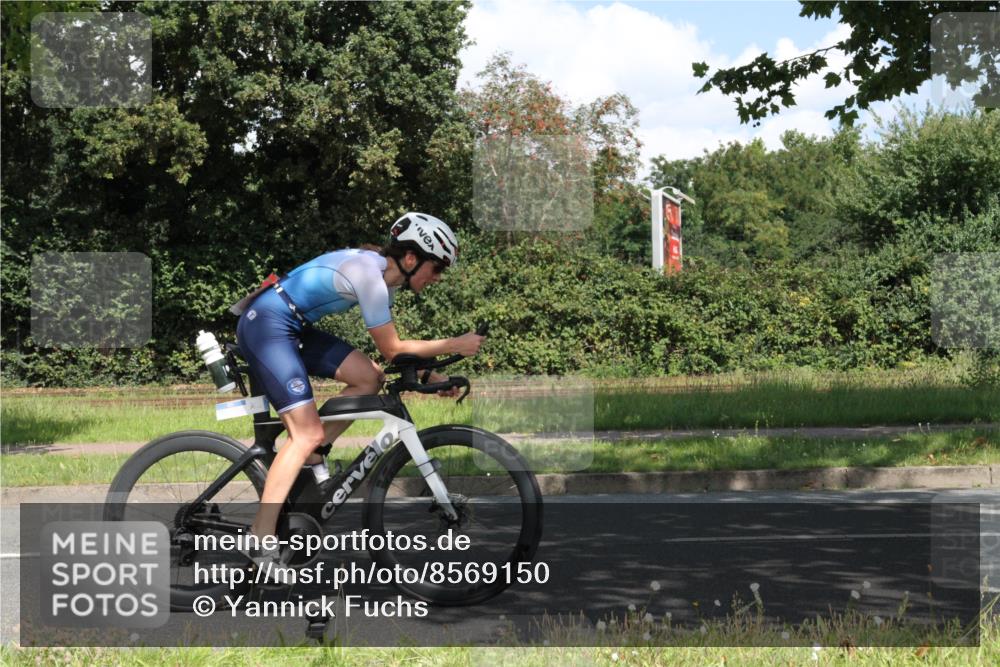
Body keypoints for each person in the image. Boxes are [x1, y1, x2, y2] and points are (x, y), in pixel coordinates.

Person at [234, 212, 484, 580]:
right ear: (412, 259)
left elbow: (393, 357)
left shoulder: (386, 282)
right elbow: (393, 348)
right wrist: (456, 345)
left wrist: (434, 376)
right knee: (306, 434)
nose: (437, 278)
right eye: (436, 267)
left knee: (369, 378)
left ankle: (307, 457)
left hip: (292, 326)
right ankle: (260, 536)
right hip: (268, 324)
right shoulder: (370, 276)